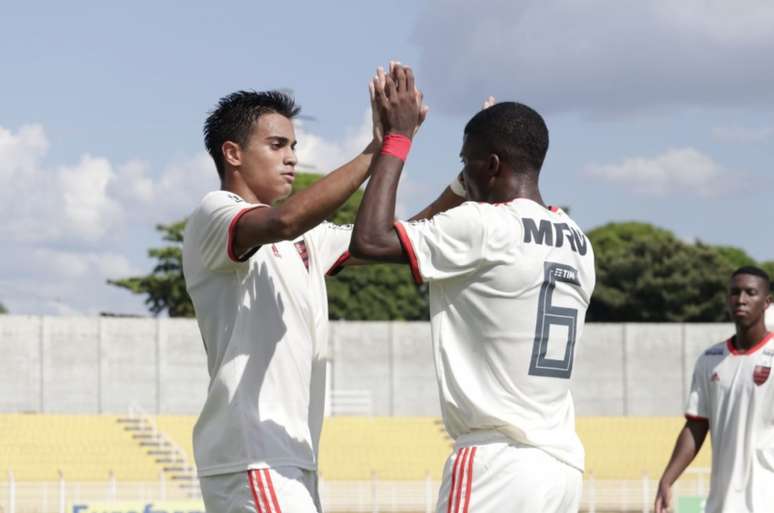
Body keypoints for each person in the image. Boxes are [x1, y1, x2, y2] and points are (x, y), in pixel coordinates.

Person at [183, 77, 461, 512]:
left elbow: (392, 239)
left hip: (285, 458)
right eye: (277, 145)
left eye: (293, 146)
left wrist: (467, 184)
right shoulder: (215, 214)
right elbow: (284, 221)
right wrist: (384, 146)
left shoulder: (306, 239)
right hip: (254, 455)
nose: (292, 158)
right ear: (233, 154)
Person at [350, 64, 596, 513]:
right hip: (560, 466)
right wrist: (476, 166)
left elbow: (368, 240)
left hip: (497, 464)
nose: (463, 174)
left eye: (466, 162)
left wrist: (397, 138)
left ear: (492, 165)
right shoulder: (578, 241)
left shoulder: (483, 225)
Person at [655, 266, 774, 513]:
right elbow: (697, 425)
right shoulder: (710, 360)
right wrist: (668, 478)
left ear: (767, 302)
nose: (741, 300)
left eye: (750, 293)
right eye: (734, 292)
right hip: (721, 502)